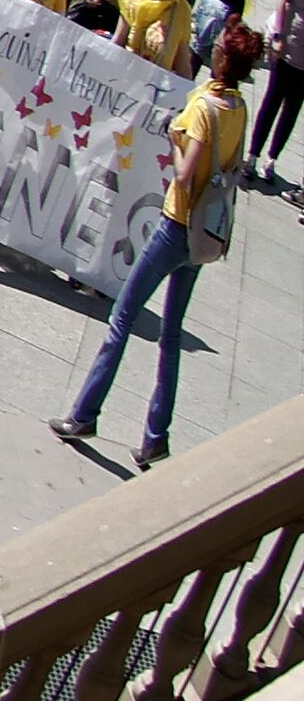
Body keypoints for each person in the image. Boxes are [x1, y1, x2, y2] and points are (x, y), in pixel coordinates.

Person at [56, 26, 254, 469]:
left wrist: (173, 139)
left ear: (222, 60)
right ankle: (155, 435)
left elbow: (184, 176)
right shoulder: (238, 106)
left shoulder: (205, 107)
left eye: (219, 45)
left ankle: (85, 413)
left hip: (176, 224)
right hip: (203, 235)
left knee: (122, 316)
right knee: (171, 334)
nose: (214, 45)